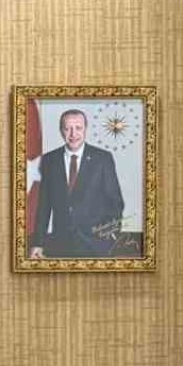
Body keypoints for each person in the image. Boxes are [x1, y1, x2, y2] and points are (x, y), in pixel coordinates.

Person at [29, 108, 123, 259]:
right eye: (68, 129)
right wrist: (38, 243)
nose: (73, 134)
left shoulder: (102, 159)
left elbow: (115, 203)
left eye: (78, 128)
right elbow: (44, 206)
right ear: (61, 131)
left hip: (96, 247)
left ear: (85, 129)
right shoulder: (49, 160)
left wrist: (108, 238)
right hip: (60, 245)